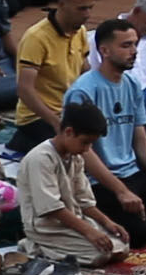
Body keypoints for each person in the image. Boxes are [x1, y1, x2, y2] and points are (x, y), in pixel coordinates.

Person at [16, 101, 130, 260]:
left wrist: (107, 222)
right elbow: (51, 208)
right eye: (85, 142)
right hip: (47, 228)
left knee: (120, 247)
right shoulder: (41, 159)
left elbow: (84, 201)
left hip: (73, 222)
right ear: (69, 132)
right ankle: (36, 246)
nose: (87, 149)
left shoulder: (75, 157)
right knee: (99, 255)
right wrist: (89, 231)